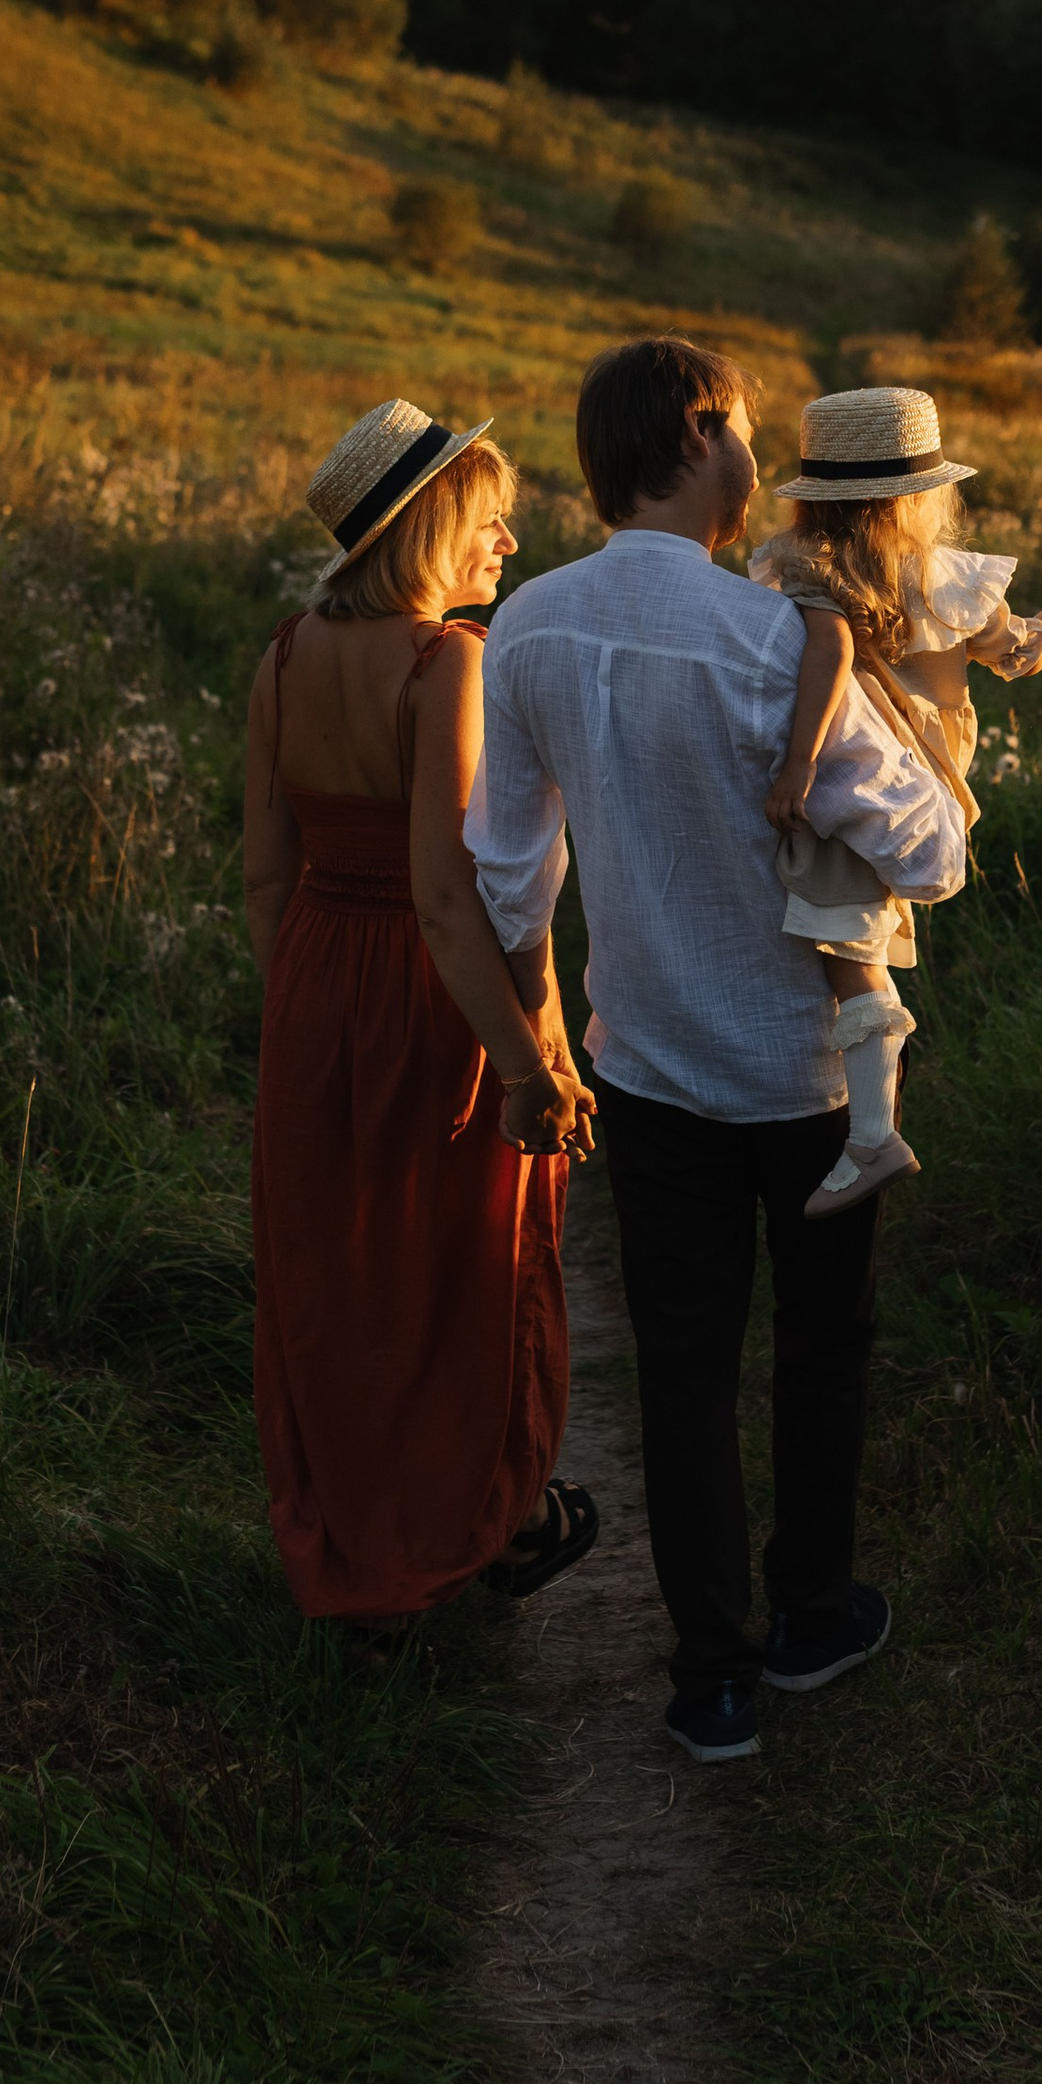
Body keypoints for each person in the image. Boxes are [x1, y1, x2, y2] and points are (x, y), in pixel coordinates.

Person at [466, 337, 966, 1762]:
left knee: (684, 1368)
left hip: (647, 1065)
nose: (760, 463)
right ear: (697, 436)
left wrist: (537, 1036)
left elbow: (511, 874)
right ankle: (810, 1618)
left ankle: (714, 1680)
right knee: (822, 1343)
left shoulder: (535, 628)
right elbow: (928, 857)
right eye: (745, 432)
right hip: (810, 1070)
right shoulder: (770, 634)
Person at [245, 397, 598, 1632]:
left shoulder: (283, 655)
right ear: (429, 523)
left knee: (338, 1274)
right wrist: (526, 1064)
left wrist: (300, 1005)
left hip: (313, 986)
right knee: (447, 1271)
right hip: (422, 990)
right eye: (491, 522)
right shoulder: (443, 663)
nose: (507, 544)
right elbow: (449, 901)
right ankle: (463, 1532)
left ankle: (354, 1532)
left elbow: (262, 873)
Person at [754, 386, 1042, 1212]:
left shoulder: (799, 571)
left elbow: (820, 664)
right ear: (924, 498)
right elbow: (1027, 654)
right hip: (921, 787)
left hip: (849, 782)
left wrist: (799, 763)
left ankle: (874, 1135)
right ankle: (872, 1131)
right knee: (853, 940)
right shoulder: (949, 584)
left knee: (848, 952)